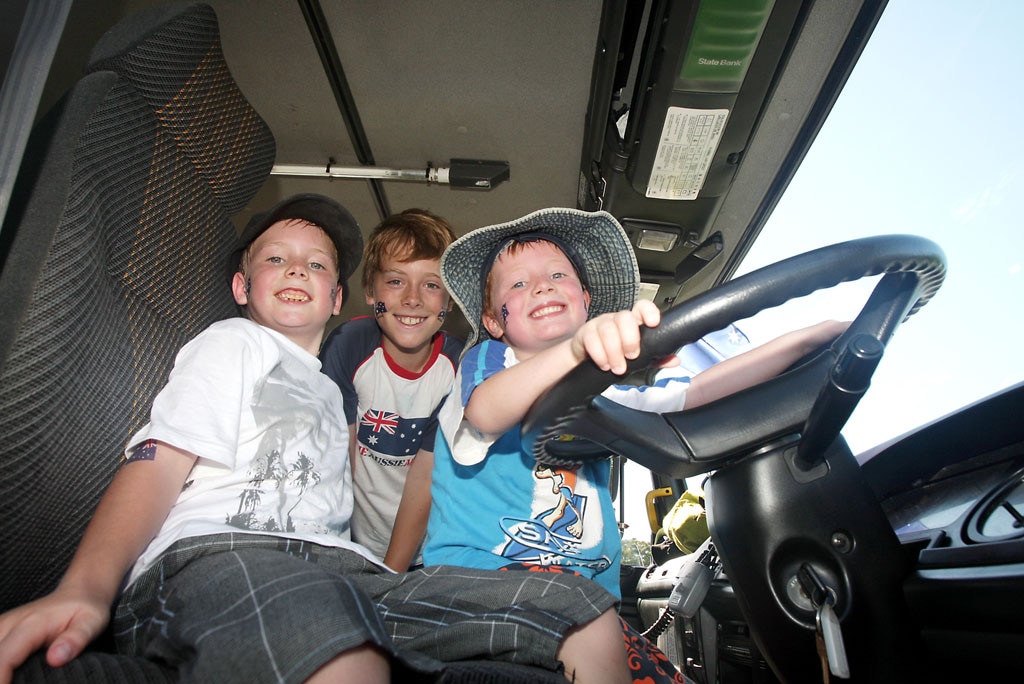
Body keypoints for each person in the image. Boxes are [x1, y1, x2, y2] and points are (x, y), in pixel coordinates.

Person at [0, 195, 633, 684]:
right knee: (329, 631)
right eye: (275, 258)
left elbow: (411, 473)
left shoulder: (330, 391)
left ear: (333, 297)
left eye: (317, 263)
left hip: (341, 566)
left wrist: (389, 567)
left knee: (576, 605)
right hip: (222, 553)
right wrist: (86, 588)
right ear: (243, 288)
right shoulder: (232, 342)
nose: (296, 267)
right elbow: (159, 457)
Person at [423, 207, 849, 596]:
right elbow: (484, 412)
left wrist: (808, 337)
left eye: (558, 276)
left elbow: (694, 396)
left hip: (586, 584)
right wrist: (574, 351)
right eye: (518, 283)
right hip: (478, 574)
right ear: (494, 321)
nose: (540, 287)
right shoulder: (490, 362)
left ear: (586, 301)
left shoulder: (602, 393)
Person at [320, 208, 460, 571]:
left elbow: (424, 477)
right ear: (370, 291)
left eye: (432, 285)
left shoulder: (457, 368)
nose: (413, 298)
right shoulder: (350, 345)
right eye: (396, 281)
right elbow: (338, 457)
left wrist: (390, 577)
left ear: (449, 301)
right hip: (349, 540)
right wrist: (339, 550)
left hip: (426, 553)